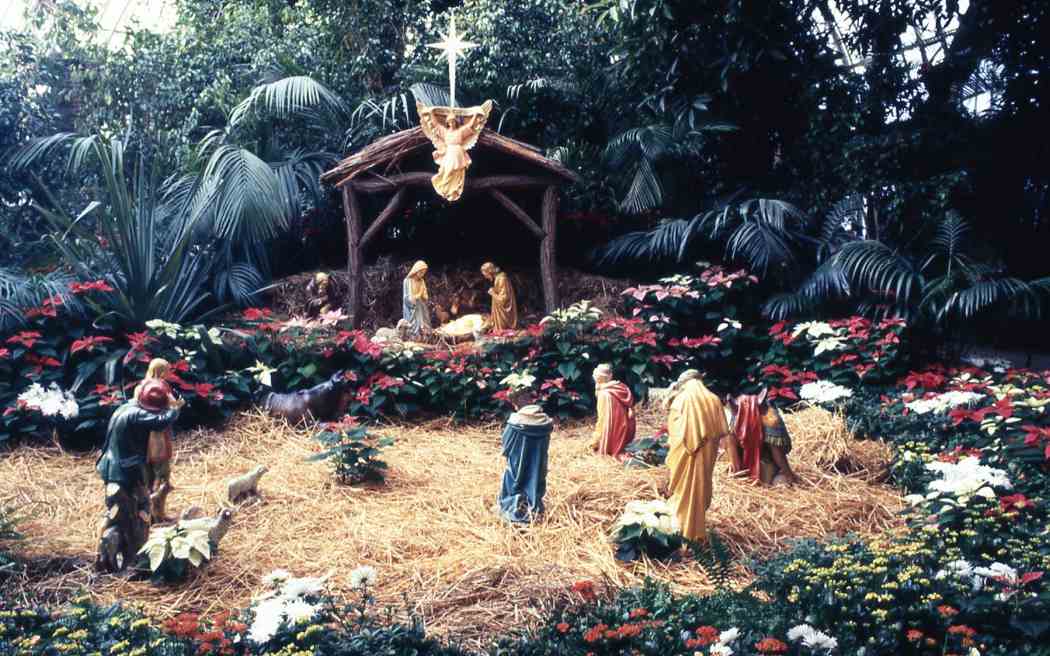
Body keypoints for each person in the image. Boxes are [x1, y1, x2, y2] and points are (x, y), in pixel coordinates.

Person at [95, 380, 180, 572]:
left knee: (123, 509)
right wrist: (175, 408)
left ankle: (123, 544)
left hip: (111, 464)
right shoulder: (136, 414)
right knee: (139, 507)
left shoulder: (126, 408)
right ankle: (134, 553)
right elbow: (162, 421)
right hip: (124, 468)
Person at [664, 370, 729, 543]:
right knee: (699, 488)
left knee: (683, 490)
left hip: (685, 453)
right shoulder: (714, 399)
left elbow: (675, 432)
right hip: (707, 452)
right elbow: (722, 430)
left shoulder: (682, 399)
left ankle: (683, 533)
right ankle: (695, 532)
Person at [132, 358, 185, 521]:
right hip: (157, 437)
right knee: (162, 476)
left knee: (146, 477)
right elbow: (172, 405)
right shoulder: (160, 387)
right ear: (161, 371)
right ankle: (158, 514)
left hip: (141, 437)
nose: (169, 374)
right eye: (167, 370)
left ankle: (145, 514)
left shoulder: (140, 387)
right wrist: (179, 404)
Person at [725, 389, 799, 486]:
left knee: (778, 481)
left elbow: (777, 452)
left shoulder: (770, 418)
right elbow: (731, 448)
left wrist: (788, 474)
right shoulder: (732, 420)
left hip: (764, 465)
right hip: (746, 466)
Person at [497, 404, 553, 524]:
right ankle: (533, 506)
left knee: (513, 478)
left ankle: (513, 505)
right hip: (537, 462)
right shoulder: (545, 425)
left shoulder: (515, 423)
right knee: (535, 479)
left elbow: (506, 445)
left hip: (517, 461)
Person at [590, 364, 636, 459]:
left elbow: (602, 421)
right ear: (610, 376)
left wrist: (596, 441)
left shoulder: (604, 394)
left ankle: (609, 448)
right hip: (623, 430)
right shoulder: (620, 387)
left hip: (612, 431)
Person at [481, 262, 517, 331]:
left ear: (489, 271)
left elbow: (504, 299)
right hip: (499, 314)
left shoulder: (502, 279)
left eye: (485, 274)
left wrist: (493, 293)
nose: (485, 277)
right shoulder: (498, 278)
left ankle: (503, 327)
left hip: (505, 316)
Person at [402, 260, 432, 340]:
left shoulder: (422, 281)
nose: (422, 275)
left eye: (424, 273)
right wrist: (418, 295)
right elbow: (407, 298)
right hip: (412, 308)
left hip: (421, 306)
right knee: (416, 315)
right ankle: (414, 335)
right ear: (416, 270)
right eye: (421, 272)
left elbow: (425, 296)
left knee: (425, 320)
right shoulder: (407, 281)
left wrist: (421, 295)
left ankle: (425, 335)